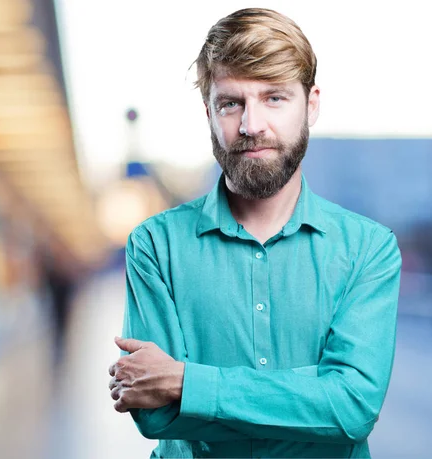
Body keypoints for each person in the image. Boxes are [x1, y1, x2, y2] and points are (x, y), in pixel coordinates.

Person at [108, 8, 401, 458]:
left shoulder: (368, 249)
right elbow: (155, 415)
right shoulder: (155, 245)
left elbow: (352, 408)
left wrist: (186, 382)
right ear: (208, 111)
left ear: (312, 104)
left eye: (274, 98)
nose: (251, 125)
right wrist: (312, 395)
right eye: (231, 103)